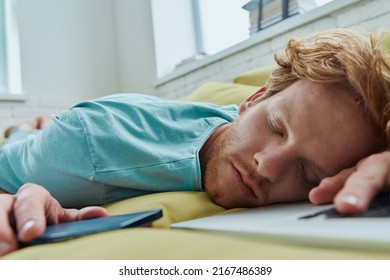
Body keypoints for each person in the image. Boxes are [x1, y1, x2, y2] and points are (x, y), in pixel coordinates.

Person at [0, 27, 389, 256]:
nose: (267, 167)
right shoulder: (90, 146)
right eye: (276, 128)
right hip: (65, 134)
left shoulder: (285, 116)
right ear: (253, 100)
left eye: (306, 172)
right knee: (28, 135)